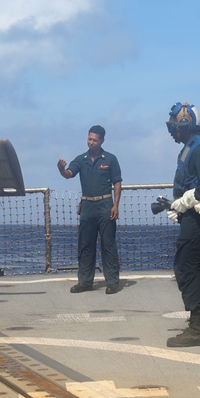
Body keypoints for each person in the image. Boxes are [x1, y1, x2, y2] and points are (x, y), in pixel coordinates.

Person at [165, 102, 200, 347]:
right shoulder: (191, 148)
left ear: (185, 126)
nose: (172, 131)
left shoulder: (199, 149)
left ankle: (198, 328)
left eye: (175, 126)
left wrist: (186, 201)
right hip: (194, 217)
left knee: (187, 269)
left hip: (198, 220)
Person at [57, 125, 122, 294]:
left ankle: (112, 281)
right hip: (87, 207)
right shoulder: (81, 159)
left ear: (102, 141)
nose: (91, 142)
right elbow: (69, 174)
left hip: (105, 205)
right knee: (85, 245)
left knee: (108, 244)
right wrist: (61, 170)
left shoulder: (110, 159)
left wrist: (115, 205)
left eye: (95, 140)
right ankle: (85, 281)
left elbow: (117, 182)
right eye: (89, 139)